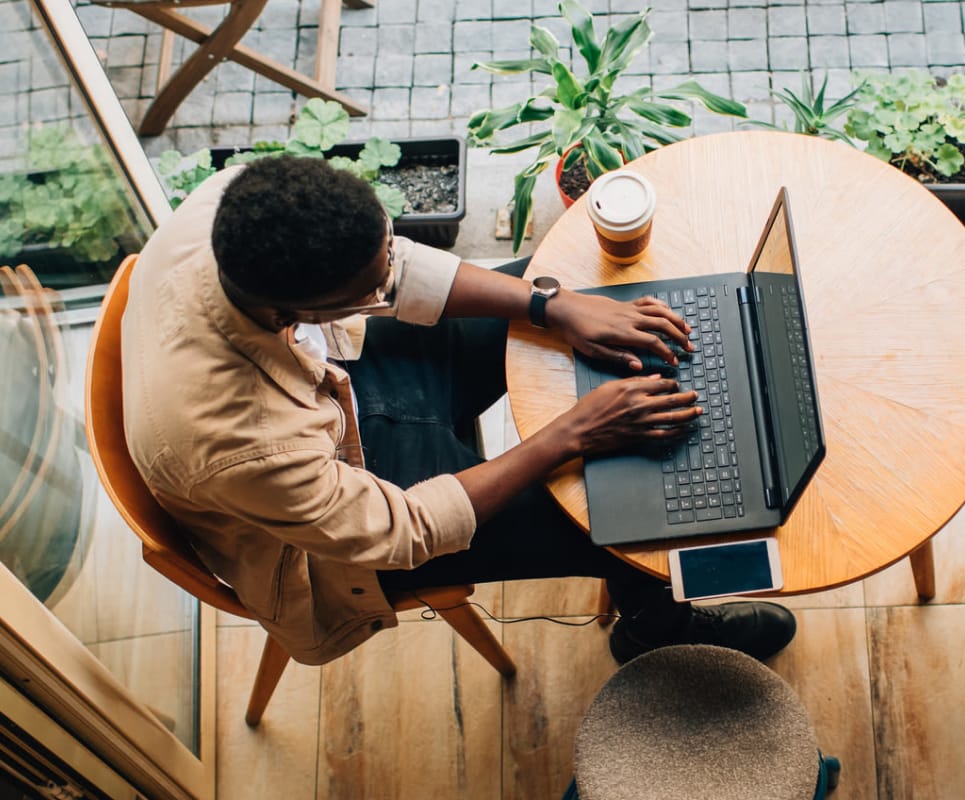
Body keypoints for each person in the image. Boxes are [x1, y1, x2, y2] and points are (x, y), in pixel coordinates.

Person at [118, 155, 796, 668]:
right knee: (620, 519)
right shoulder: (240, 443)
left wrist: (550, 304)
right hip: (345, 515)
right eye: (372, 287)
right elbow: (402, 531)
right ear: (296, 311)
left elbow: (391, 266)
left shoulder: (234, 208)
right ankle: (657, 632)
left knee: (566, 291)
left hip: (339, 382)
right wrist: (574, 432)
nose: (390, 275)